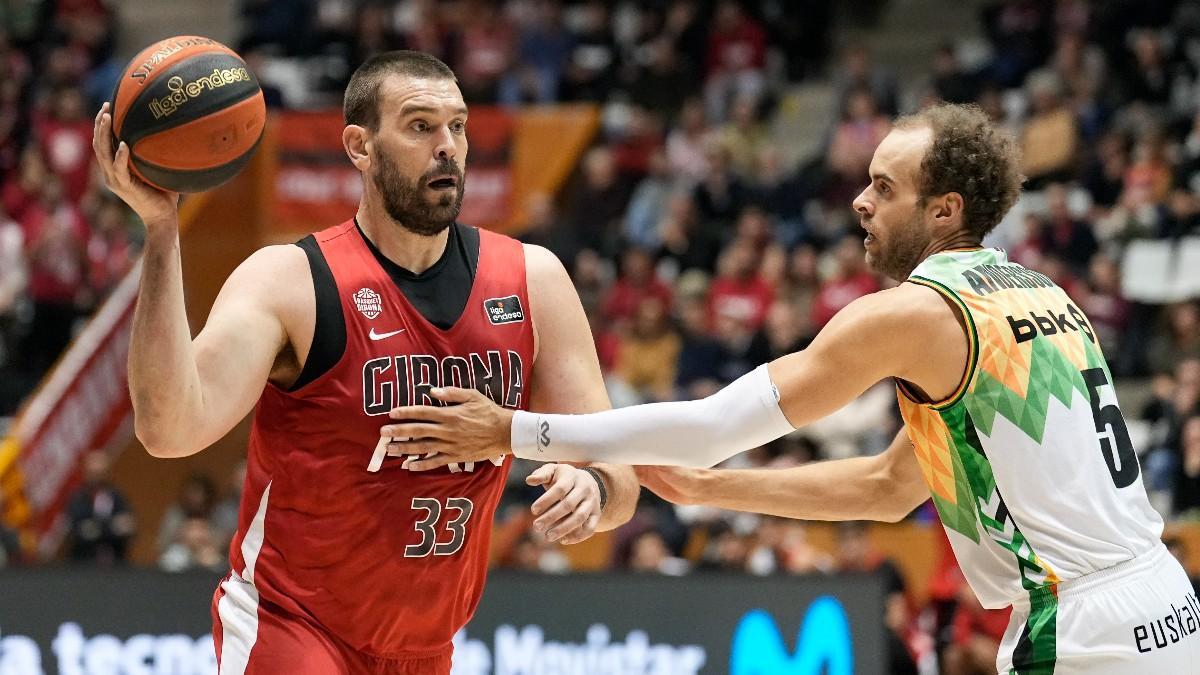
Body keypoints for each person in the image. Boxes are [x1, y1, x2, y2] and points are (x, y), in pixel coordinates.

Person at [390, 103, 1200, 672]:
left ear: (945, 208)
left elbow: (714, 421)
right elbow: (889, 488)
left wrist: (512, 431)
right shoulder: (1038, 292)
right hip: (1163, 599)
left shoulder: (915, 312)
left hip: (1085, 625)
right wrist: (713, 487)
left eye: (885, 186)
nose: (860, 198)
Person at [93, 50, 638, 675]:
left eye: (458, 126)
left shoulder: (533, 280)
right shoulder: (291, 280)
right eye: (419, 126)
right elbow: (167, 430)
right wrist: (162, 233)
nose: (448, 147)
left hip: (427, 648)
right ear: (359, 146)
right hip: (291, 625)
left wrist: (592, 487)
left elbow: (618, 474)